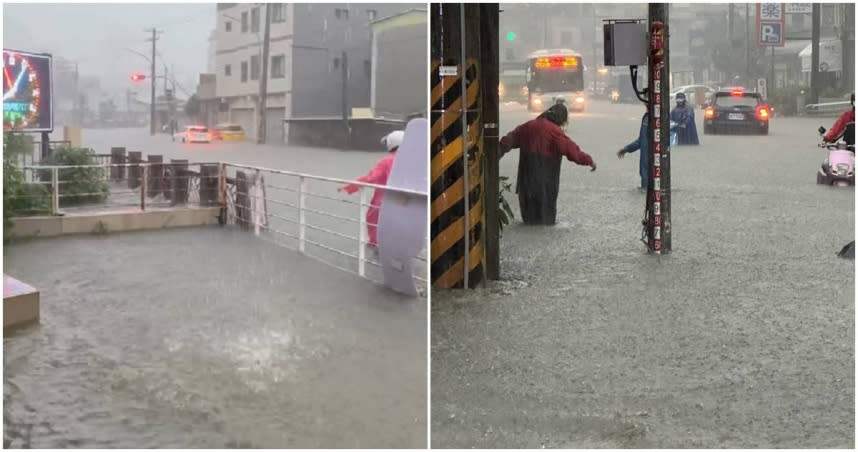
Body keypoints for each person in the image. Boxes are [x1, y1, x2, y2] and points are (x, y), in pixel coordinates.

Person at [499, 103, 596, 225]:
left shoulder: (527, 126)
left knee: (528, 218)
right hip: (546, 179)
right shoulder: (555, 131)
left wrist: (495, 155)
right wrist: (589, 161)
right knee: (545, 219)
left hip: (526, 178)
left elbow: (508, 141)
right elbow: (571, 150)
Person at [339, 130, 404, 248]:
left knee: (372, 218)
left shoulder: (386, 161)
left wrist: (349, 187)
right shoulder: (414, 161)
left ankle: (375, 244)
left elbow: (371, 177)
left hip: (385, 200)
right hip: (408, 201)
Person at [617, 112, 650, 191]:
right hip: (645, 171)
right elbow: (642, 140)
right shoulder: (646, 117)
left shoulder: (659, 117)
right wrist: (627, 149)